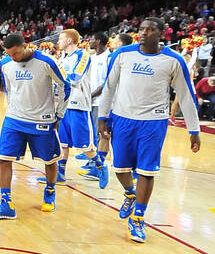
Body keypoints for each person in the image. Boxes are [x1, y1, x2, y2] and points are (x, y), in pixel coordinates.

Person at [97, 17, 200, 242]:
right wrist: (102, 117)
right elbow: (109, 87)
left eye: (150, 30)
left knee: (146, 171)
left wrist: (194, 130)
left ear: (161, 34)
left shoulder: (173, 60)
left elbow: (186, 95)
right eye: (142, 29)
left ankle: (138, 219)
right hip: (122, 118)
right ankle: (130, 193)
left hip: (153, 122)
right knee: (120, 169)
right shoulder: (122, 54)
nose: (144, 33)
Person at [0, 32, 70, 220]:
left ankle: (50, 191)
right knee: (3, 159)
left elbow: (66, 86)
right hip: (14, 120)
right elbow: (8, 88)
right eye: (9, 54)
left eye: (16, 53)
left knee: (50, 161)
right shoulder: (6, 63)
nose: (13, 58)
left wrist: (59, 114)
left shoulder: (47, 62)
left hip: (42, 121)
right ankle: (6, 203)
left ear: (26, 46)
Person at [54, 29, 93, 183]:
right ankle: (60, 174)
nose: (58, 41)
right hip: (65, 104)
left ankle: (99, 167)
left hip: (79, 103)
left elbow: (76, 78)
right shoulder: (64, 58)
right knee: (63, 142)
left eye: (61, 38)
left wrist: (58, 78)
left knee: (84, 145)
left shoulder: (82, 55)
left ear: (69, 40)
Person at [82, 32, 111, 189]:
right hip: (89, 99)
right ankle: (93, 162)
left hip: (100, 100)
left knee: (100, 133)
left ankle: (97, 167)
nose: (89, 41)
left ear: (98, 41)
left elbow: (106, 82)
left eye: (92, 39)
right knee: (92, 132)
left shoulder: (108, 57)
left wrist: (91, 94)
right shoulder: (92, 57)